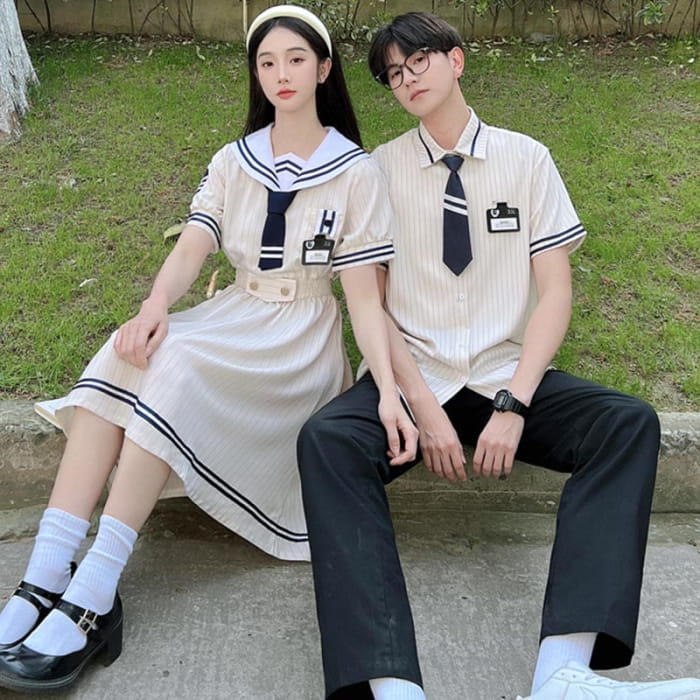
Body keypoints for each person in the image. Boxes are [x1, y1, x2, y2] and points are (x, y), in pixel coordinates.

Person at [0, 6, 416, 693]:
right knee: (130, 349)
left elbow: (365, 300)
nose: (281, 74)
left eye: (295, 59)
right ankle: (46, 572)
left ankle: (95, 591)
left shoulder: (355, 171)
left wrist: (390, 392)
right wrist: (153, 307)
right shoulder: (234, 159)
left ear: (323, 69)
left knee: (176, 366)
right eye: (267, 62)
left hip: (298, 343)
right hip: (235, 314)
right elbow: (194, 245)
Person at [297, 12, 700, 700]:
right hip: (416, 379)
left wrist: (515, 402)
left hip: (502, 379)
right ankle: (390, 685)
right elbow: (374, 307)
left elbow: (554, 294)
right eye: (392, 73)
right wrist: (422, 406)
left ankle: (564, 674)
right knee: (327, 440)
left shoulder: (527, 159)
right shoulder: (377, 171)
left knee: (626, 423)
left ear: (455, 60)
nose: (406, 78)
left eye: (418, 61)